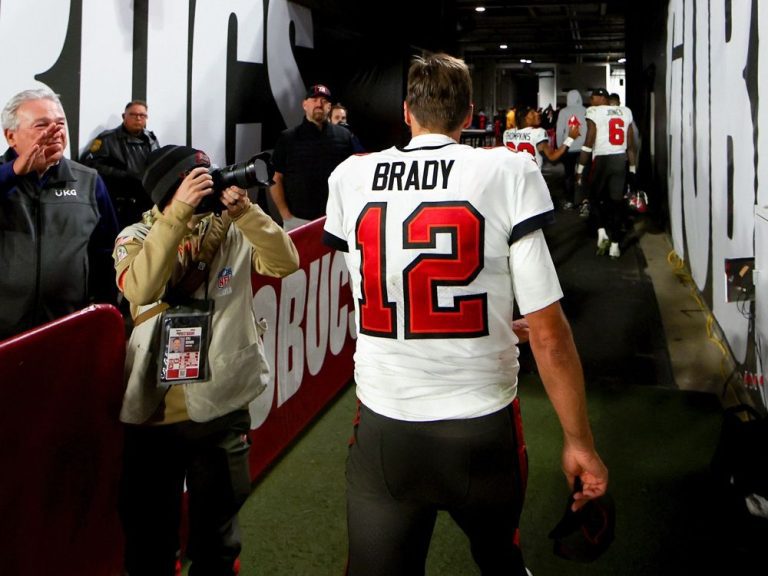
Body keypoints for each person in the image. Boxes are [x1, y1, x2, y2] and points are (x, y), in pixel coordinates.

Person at [323, 52, 608, 576]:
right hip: (480, 430)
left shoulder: (350, 176)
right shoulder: (506, 169)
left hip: (388, 427)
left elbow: (381, 291)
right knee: (501, 560)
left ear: (407, 111)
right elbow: (548, 333)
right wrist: (579, 441)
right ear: (468, 112)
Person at [114, 144, 299, 576]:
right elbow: (141, 289)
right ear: (169, 190)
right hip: (153, 413)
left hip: (220, 403)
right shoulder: (135, 236)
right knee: (149, 540)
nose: (209, 188)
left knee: (217, 538)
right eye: (194, 181)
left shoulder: (233, 229)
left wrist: (248, 214)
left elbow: (285, 262)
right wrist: (177, 214)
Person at [0, 87, 119, 341]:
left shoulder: (89, 182)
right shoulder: (4, 179)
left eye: (60, 123)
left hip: (68, 334)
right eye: (42, 125)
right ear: (11, 136)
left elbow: (107, 255)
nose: (56, 132)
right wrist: (12, 173)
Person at [269, 84, 356, 231]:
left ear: (329, 107)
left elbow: (351, 177)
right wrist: (286, 215)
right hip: (297, 221)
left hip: (335, 220)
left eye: (324, 101)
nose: (319, 104)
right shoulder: (288, 138)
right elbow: (275, 178)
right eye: (314, 99)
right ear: (305, 104)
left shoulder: (344, 137)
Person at [576, 87, 637, 259]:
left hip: (602, 160)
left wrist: (580, 168)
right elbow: (631, 145)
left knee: (594, 197)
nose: (590, 100)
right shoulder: (625, 111)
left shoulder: (594, 111)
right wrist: (632, 169)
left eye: (592, 97)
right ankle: (615, 245)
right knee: (617, 203)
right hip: (620, 159)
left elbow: (589, 140)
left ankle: (602, 232)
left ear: (600, 98)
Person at [81, 100, 160, 229]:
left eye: (142, 115)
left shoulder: (151, 138)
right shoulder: (107, 139)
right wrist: (123, 175)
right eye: (133, 115)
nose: (138, 118)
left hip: (147, 201)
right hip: (119, 203)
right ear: (124, 116)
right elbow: (91, 164)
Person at [503, 104, 579, 169]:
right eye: (532, 113)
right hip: (531, 178)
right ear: (524, 119)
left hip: (513, 177)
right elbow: (552, 158)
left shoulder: (507, 133)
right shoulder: (538, 132)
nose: (537, 114)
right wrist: (570, 138)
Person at [555, 89, 588, 211]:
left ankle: (570, 200)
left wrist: (560, 148)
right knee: (582, 175)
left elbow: (559, 131)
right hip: (584, 148)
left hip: (568, 148)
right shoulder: (586, 111)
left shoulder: (563, 112)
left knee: (568, 175)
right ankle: (583, 201)